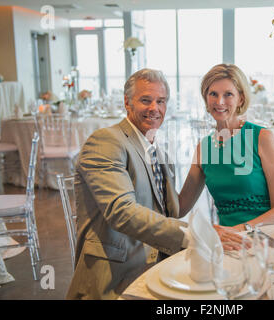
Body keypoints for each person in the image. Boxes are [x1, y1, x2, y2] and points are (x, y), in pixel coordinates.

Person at [66, 68, 241, 300]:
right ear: (127, 103)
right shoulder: (106, 141)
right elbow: (123, 212)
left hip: (158, 266)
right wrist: (196, 234)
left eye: (161, 101)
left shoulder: (160, 154)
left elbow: (173, 210)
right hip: (116, 276)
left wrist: (210, 165)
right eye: (145, 100)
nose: (154, 109)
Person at [179, 64, 274, 232]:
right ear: (206, 98)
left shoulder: (261, 138)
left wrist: (241, 229)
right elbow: (180, 207)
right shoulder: (204, 148)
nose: (219, 102)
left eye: (228, 94)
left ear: (241, 99)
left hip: (270, 235)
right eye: (213, 94)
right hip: (229, 241)